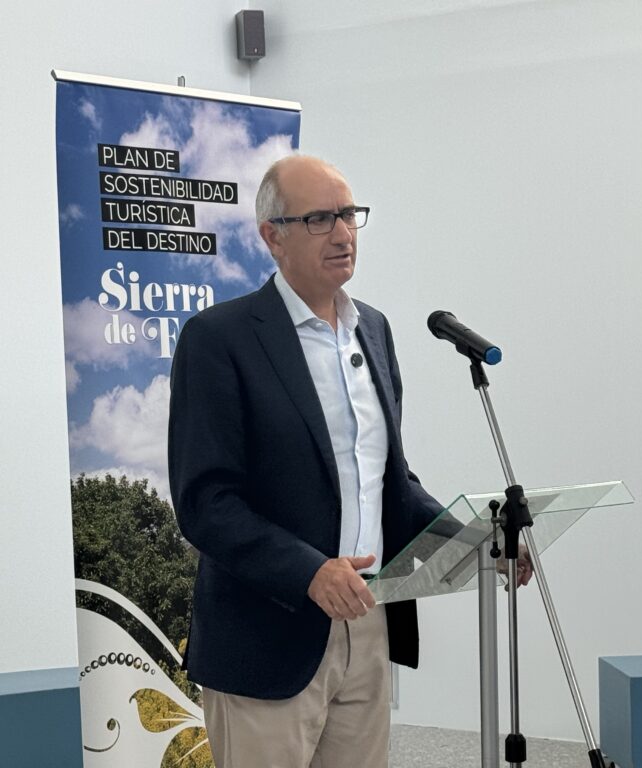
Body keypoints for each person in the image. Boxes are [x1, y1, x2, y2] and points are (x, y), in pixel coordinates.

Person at [168, 155, 530, 768]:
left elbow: (392, 484)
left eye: (348, 215)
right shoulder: (219, 338)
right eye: (319, 219)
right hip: (268, 635)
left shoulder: (374, 330)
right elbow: (206, 502)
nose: (342, 233)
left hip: (368, 620)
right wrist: (309, 571)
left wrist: (476, 543)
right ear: (272, 237)